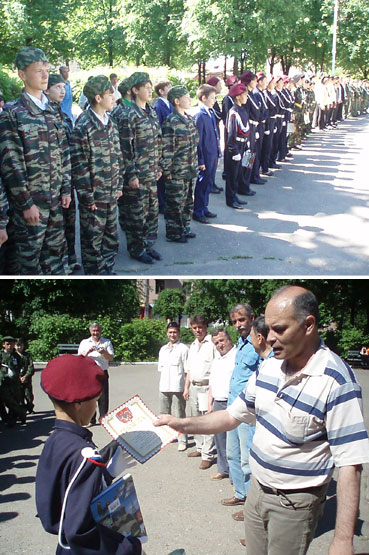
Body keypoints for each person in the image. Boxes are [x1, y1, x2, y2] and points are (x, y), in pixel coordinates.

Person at [156, 285, 369, 555]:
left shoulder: (337, 381)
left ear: (309, 325)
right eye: (268, 329)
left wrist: (342, 539)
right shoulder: (270, 366)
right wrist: (180, 423)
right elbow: (231, 416)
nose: (269, 338)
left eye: (279, 329)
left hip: (295, 504)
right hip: (257, 491)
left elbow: (351, 463)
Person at [35, 354, 142, 554]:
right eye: (94, 400)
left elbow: (67, 493)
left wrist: (107, 474)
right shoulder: (85, 454)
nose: (95, 407)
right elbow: (80, 531)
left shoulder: (55, 440)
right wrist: (129, 547)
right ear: (78, 404)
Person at [0, 46, 71, 275]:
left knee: (56, 261)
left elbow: (63, 152)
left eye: (46, 70)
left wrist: (66, 189)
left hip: (55, 204)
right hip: (31, 208)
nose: (44, 75)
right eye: (38, 70)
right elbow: (11, 163)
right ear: (22, 74)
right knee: (28, 265)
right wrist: (26, 203)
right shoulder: (13, 113)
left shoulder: (52, 110)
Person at [70, 75, 123, 275]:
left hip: (110, 193)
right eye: (111, 94)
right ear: (98, 98)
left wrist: (118, 186)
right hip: (94, 197)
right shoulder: (84, 126)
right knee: (93, 238)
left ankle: (107, 270)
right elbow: (79, 165)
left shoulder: (110, 122)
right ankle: (95, 272)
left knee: (111, 237)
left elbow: (117, 156)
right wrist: (86, 196)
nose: (114, 97)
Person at [120, 72, 163, 264]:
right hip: (138, 175)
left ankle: (147, 245)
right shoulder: (128, 115)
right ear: (135, 90)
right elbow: (125, 149)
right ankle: (136, 249)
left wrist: (160, 165)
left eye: (150, 86)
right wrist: (131, 175)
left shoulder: (151, 112)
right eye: (145, 87)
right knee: (136, 215)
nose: (149, 90)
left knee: (152, 213)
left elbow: (158, 141)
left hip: (152, 173)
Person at [222, 303, 260, 514]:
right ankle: (240, 493)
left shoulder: (258, 343)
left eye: (242, 320)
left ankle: (251, 508)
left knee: (247, 460)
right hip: (232, 408)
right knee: (232, 455)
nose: (238, 325)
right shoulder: (241, 343)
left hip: (247, 411)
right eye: (235, 321)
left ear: (252, 318)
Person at [45, 73, 80, 274]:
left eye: (63, 87)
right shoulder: (45, 114)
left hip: (68, 179)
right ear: (46, 89)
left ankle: (70, 258)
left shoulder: (63, 115)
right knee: (55, 229)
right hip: (53, 182)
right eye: (57, 87)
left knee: (69, 222)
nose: (62, 91)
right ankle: (61, 264)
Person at [161, 85, 198, 243]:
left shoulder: (189, 119)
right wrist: (167, 171)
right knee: (175, 204)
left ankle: (184, 227)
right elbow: (167, 148)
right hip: (176, 171)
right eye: (186, 97)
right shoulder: (171, 121)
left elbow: (195, 144)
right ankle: (174, 232)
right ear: (177, 101)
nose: (189, 99)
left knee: (188, 201)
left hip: (189, 169)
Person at [184, 314, 216, 469]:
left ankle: (207, 455)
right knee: (195, 420)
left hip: (206, 387)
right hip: (193, 387)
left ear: (206, 327)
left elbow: (217, 368)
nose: (197, 330)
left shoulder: (212, 344)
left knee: (207, 421)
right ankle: (199, 447)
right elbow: (189, 368)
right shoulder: (193, 345)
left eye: (200, 327)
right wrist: (186, 387)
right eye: (194, 327)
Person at [208, 328, 236, 480]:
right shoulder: (217, 359)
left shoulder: (237, 356)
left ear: (229, 340)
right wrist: (210, 404)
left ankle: (235, 474)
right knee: (220, 439)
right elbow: (212, 383)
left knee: (233, 441)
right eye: (216, 343)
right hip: (218, 401)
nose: (219, 345)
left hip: (232, 402)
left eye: (221, 341)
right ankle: (223, 469)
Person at [158, 322, 189, 451]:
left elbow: (187, 370)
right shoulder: (163, 349)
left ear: (179, 333)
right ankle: (167, 436)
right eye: (170, 332)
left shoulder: (183, 349)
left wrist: (187, 388)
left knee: (179, 415)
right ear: (167, 333)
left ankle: (182, 440)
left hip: (178, 387)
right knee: (164, 413)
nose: (172, 334)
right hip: (164, 386)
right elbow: (161, 368)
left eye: (175, 332)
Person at [193, 84, 221, 224]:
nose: (214, 100)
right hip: (205, 156)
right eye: (212, 98)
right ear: (203, 98)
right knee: (202, 184)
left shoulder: (209, 112)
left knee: (208, 183)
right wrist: (200, 160)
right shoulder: (199, 114)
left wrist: (218, 153)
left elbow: (215, 135)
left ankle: (204, 207)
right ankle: (198, 210)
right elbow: (198, 141)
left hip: (212, 154)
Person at [78, 322, 114, 424]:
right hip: (88, 374)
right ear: (90, 331)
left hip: (102, 372)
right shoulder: (84, 342)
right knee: (89, 396)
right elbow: (80, 358)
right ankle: (90, 418)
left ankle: (103, 418)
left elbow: (111, 357)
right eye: (93, 331)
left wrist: (104, 352)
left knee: (103, 397)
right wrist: (88, 352)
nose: (95, 333)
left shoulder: (106, 342)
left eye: (97, 330)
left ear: (100, 331)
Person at [224, 82, 250, 210]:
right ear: (238, 96)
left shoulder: (242, 109)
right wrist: (234, 151)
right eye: (245, 95)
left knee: (240, 171)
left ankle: (235, 196)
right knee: (232, 175)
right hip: (235, 146)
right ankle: (230, 199)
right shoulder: (233, 112)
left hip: (243, 144)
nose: (247, 97)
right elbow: (231, 134)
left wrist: (248, 143)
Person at [0, 335, 26, 425]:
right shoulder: (1, 355)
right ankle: (12, 415)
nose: (10, 346)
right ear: (3, 345)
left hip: (14, 383)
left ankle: (13, 418)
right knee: (8, 400)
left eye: (11, 344)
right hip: (4, 383)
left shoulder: (16, 356)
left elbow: (20, 366)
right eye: (8, 344)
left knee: (15, 399)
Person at [15, 337, 35, 414]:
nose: (19, 347)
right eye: (17, 345)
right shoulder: (13, 356)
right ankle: (22, 411)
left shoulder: (27, 355)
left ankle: (30, 408)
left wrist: (26, 376)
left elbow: (31, 367)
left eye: (21, 345)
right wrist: (18, 377)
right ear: (15, 346)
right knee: (19, 397)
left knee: (29, 396)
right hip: (17, 380)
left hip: (26, 379)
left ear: (23, 346)